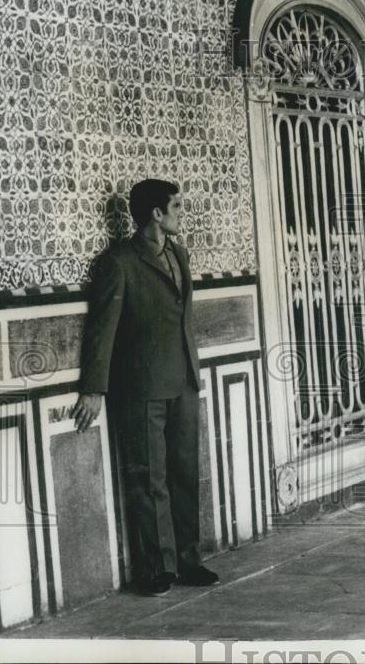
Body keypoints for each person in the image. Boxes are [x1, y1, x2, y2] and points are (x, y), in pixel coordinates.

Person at [72, 179, 219, 596]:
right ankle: (157, 568)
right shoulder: (119, 262)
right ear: (156, 213)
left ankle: (189, 560)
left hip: (184, 380)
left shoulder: (180, 254)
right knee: (149, 479)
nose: (180, 213)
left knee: (185, 473)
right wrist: (93, 388)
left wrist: (194, 371)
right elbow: (102, 328)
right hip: (142, 386)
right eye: (176, 206)